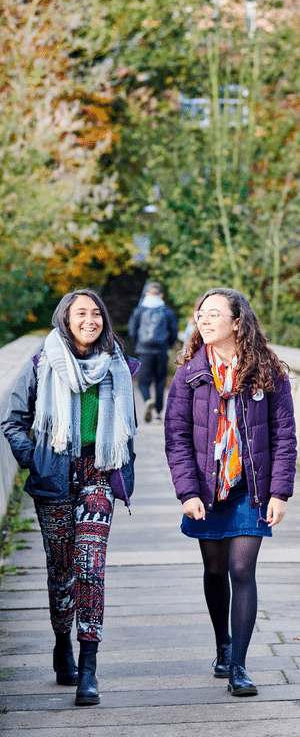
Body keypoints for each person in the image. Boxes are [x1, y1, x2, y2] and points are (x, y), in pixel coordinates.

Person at [1, 289, 137, 707]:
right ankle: (63, 645)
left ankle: (89, 669)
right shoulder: (43, 363)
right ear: (66, 318)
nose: (90, 319)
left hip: (99, 472)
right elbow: (14, 419)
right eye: (81, 313)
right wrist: (36, 460)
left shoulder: (117, 364)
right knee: (62, 572)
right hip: (55, 475)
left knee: (91, 567)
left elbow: (128, 427)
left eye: (96, 313)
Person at [164, 287, 297, 696]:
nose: (204, 320)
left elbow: (285, 437)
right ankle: (222, 643)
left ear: (237, 322)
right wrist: (187, 493)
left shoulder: (267, 373)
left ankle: (239, 665)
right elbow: (177, 438)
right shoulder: (189, 373)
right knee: (215, 570)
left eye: (214, 314)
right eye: (201, 314)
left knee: (242, 570)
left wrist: (280, 493)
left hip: (250, 489)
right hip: (206, 489)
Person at [128, 281, 178, 422]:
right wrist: (168, 344)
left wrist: (138, 344)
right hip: (161, 350)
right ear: (161, 295)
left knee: (143, 382)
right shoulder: (166, 310)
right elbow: (173, 330)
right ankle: (158, 414)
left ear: (147, 294)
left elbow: (132, 330)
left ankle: (148, 400)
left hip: (144, 351)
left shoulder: (139, 310)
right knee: (160, 381)